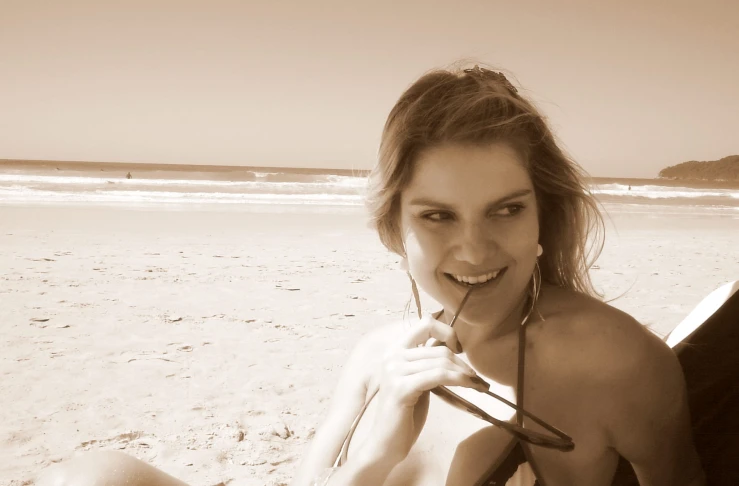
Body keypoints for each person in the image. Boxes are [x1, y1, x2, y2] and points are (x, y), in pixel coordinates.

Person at [36, 64, 706, 486]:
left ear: (541, 220)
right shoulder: (380, 358)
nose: (474, 250)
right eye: (437, 216)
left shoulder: (610, 361)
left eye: (504, 210)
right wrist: (374, 452)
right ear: (394, 230)